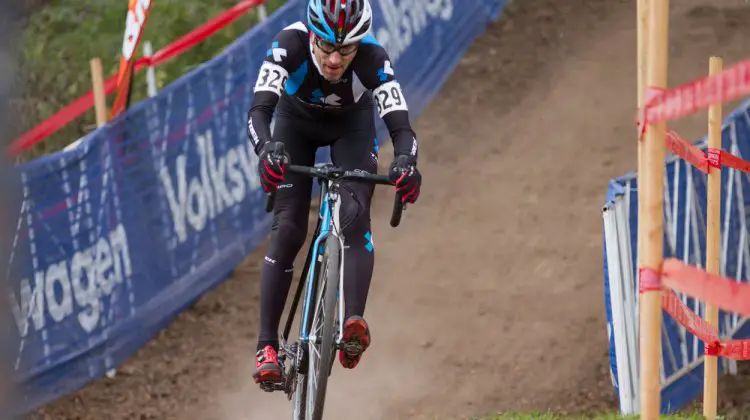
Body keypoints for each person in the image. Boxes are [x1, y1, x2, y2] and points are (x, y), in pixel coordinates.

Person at [247, 0, 422, 385]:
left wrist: (406, 161)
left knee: (355, 215)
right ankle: (267, 346)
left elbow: (402, 129)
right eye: (325, 46)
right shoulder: (287, 45)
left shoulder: (374, 59)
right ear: (311, 34)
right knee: (289, 226)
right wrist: (265, 152)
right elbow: (259, 112)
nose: (333, 60)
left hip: (351, 129)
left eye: (346, 49)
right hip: (295, 126)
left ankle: (352, 324)